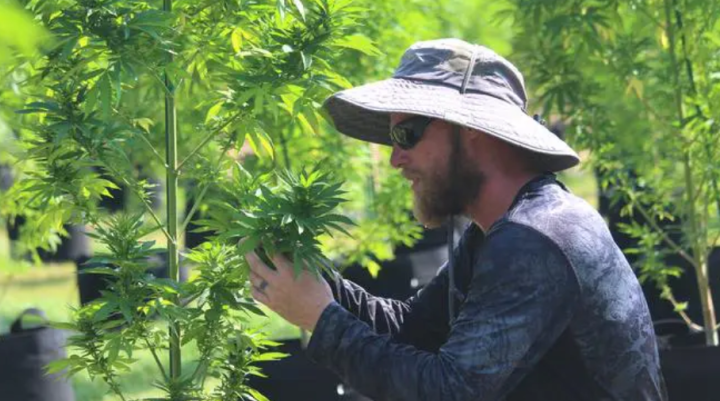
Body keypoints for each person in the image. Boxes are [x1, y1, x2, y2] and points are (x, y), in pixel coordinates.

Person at [244, 39, 667, 400]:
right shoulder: (501, 230)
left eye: (406, 134)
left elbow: (449, 391)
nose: (395, 158)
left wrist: (320, 318)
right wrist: (314, 280)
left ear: (471, 129)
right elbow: (412, 330)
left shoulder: (536, 237)